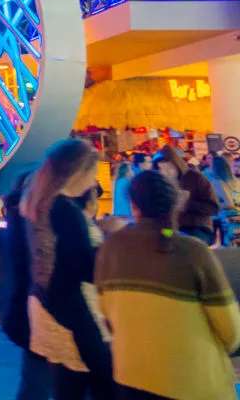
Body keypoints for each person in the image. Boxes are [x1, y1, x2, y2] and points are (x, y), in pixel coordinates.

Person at [96, 170, 240, 399]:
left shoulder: (111, 247)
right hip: (189, 380)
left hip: (131, 375)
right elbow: (230, 329)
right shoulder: (193, 251)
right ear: (176, 204)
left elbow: (105, 312)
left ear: (133, 205)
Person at [21, 138, 112, 400]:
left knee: (67, 383)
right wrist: (109, 246)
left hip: (44, 299)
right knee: (102, 379)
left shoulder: (37, 200)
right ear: (79, 172)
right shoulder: (65, 209)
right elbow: (83, 266)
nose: (94, 182)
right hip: (71, 301)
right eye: (92, 173)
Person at [2, 171, 51, 400]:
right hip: (36, 310)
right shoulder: (31, 226)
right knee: (37, 378)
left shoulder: (18, 220)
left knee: (34, 378)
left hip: (27, 309)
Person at [154, 144, 219, 244]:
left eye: (168, 167)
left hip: (196, 227)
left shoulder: (196, 178)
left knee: (188, 245)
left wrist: (186, 204)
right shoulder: (159, 183)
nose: (165, 172)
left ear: (177, 165)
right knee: (159, 243)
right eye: (161, 168)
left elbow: (213, 208)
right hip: (169, 229)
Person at [210, 155, 240, 247]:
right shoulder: (236, 180)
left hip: (230, 218)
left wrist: (214, 206)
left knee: (233, 245)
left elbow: (228, 203)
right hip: (238, 216)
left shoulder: (217, 181)